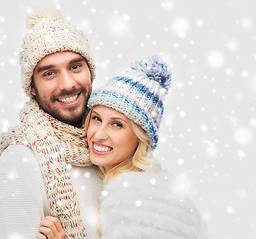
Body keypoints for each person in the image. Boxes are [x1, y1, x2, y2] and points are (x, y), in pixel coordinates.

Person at [0, 8, 102, 239]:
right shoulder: (20, 160)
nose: (68, 84)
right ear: (32, 88)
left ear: (90, 72)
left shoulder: (109, 145)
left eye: (75, 66)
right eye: (49, 73)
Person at [39, 56, 209, 238]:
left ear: (140, 137)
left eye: (117, 124)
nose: (99, 134)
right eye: (96, 118)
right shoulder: (131, 185)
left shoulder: (136, 198)